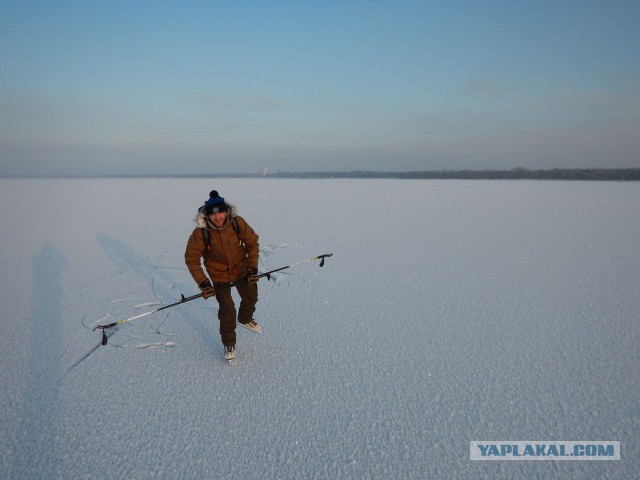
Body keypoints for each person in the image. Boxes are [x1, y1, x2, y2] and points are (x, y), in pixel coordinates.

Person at [185, 190, 261, 361]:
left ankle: (245, 318)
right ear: (207, 216)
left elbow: (252, 243)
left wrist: (252, 268)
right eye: (213, 214)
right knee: (227, 309)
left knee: (251, 297)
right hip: (219, 275)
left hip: (242, 269)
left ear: (227, 211)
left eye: (220, 212)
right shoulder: (200, 233)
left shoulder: (237, 223)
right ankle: (229, 343)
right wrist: (204, 283)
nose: (218, 217)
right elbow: (192, 259)